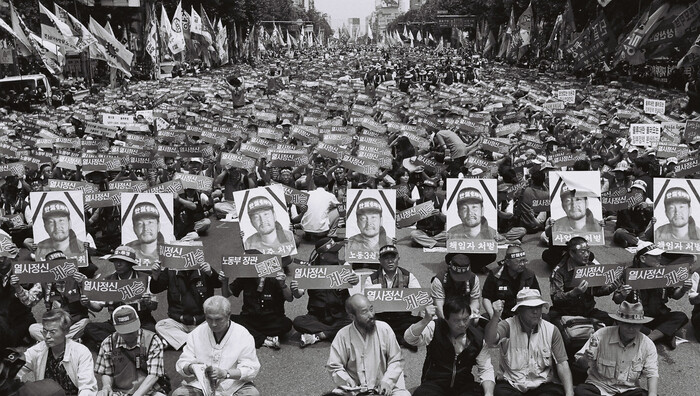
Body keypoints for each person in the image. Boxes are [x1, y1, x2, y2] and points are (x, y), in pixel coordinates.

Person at [485, 290, 574, 396]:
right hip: (511, 384)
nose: (535, 311)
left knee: (557, 392)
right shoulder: (507, 326)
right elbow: (490, 341)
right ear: (520, 310)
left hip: (542, 384)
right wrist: (495, 317)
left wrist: (570, 393)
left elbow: (562, 364)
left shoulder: (552, 330)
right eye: (530, 308)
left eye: (538, 307)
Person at [404, 297, 496, 396]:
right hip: (435, 383)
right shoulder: (435, 327)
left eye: (465, 319)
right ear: (446, 319)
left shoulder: (477, 338)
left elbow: (486, 369)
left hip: (464, 385)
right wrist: (425, 320)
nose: (462, 324)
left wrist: (489, 393)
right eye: (456, 320)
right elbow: (409, 339)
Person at [174, 296, 260, 396]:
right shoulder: (197, 333)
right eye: (209, 319)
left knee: (252, 394)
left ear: (228, 316)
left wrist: (225, 373)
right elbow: (183, 362)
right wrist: (191, 367)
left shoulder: (243, 335)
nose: (213, 324)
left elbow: (251, 369)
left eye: (218, 319)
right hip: (202, 386)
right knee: (179, 394)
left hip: (233, 385)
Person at [326, 294, 410, 396]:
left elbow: (396, 360)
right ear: (352, 316)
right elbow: (334, 366)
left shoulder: (384, 329)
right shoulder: (343, 335)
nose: (371, 315)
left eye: (371, 309)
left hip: (382, 388)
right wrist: (348, 381)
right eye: (364, 312)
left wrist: (387, 381)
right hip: (355, 390)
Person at [612, 243, 691, 349]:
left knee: (680, 316)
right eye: (655, 256)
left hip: (658, 316)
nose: (660, 258)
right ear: (643, 258)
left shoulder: (665, 272)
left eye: (660, 255)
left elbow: (675, 296)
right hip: (636, 318)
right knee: (621, 322)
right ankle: (664, 335)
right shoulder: (628, 274)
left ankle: (650, 339)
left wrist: (683, 289)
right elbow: (616, 299)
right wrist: (622, 294)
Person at [81, 246, 158, 351]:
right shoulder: (107, 281)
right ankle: (129, 343)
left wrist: (148, 302)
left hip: (140, 321)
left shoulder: (144, 279)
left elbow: (154, 306)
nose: (118, 264)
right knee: (89, 328)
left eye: (122, 261)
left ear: (131, 263)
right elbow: (97, 307)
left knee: (152, 329)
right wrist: (88, 303)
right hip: (116, 323)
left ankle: (114, 343)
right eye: (115, 261)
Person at [573, 301, 659, 396]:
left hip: (628, 390)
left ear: (641, 325)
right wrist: (585, 359)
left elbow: (652, 373)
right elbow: (580, 365)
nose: (631, 328)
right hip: (599, 387)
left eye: (636, 324)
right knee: (581, 391)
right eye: (627, 324)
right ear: (619, 322)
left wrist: (653, 394)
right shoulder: (600, 335)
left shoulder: (647, 344)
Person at [292, 238, 360, 347]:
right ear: (323, 255)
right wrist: (295, 289)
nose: (337, 253)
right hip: (317, 316)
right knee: (298, 322)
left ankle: (318, 336)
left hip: (339, 315)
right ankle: (335, 333)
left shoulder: (344, 265)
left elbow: (356, 288)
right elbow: (298, 294)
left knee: (354, 320)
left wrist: (356, 280)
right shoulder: (311, 269)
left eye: (337, 250)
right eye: (333, 252)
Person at [220, 253, 294, 350]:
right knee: (227, 319)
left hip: (271, 321)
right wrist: (224, 281)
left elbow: (290, 298)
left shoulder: (274, 277)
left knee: (287, 324)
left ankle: (253, 336)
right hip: (250, 319)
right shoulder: (245, 277)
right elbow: (226, 294)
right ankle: (264, 339)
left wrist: (283, 285)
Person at [13, 250, 90, 343]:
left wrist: (83, 283)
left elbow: (92, 300)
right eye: (54, 265)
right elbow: (29, 301)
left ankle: (54, 342)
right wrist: (17, 287)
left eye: (62, 263)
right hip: (54, 325)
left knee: (86, 323)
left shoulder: (78, 278)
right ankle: (67, 341)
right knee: (33, 329)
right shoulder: (44, 282)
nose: (59, 267)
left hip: (74, 323)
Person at [18, 309, 98, 396]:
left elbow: (87, 387)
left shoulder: (81, 352)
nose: (47, 336)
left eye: (52, 332)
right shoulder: (38, 349)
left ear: (66, 331)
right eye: (45, 331)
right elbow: (16, 367)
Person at [149, 257, 222, 350]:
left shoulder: (203, 268)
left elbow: (219, 284)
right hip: (179, 323)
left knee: (218, 324)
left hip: (201, 323)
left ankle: (180, 341)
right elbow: (155, 289)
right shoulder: (170, 270)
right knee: (160, 325)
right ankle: (197, 342)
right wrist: (155, 275)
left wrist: (210, 273)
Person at [95, 305, 166, 396]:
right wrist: (107, 386)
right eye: (125, 331)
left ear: (138, 322)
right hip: (119, 392)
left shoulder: (153, 340)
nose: (130, 334)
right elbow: (106, 372)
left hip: (148, 391)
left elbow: (154, 375)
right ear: (116, 328)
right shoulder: (108, 343)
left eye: (132, 329)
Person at [364, 245, 422, 349]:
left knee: (421, 321)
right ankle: (399, 339)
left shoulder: (408, 276)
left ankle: (389, 339)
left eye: (393, 258)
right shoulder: (371, 279)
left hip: (402, 318)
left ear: (398, 259)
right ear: (380, 260)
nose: (390, 261)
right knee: (365, 323)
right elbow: (366, 302)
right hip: (381, 318)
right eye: (386, 258)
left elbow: (419, 298)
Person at [549, 237, 616, 327]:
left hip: (587, 312)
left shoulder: (591, 267)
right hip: (565, 312)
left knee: (613, 321)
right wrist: (573, 293)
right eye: (582, 251)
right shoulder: (559, 271)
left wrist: (612, 287)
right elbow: (556, 298)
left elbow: (597, 291)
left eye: (588, 251)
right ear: (572, 253)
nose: (587, 255)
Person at [482, 246, 540, 320]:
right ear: (508, 262)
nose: (522, 264)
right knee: (484, 319)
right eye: (518, 261)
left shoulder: (529, 274)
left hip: (523, 315)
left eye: (524, 261)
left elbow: (537, 297)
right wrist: (492, 315)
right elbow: (486, 297)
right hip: (502, 314)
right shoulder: (495, 275)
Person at [0, 251, 35, 350]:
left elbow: (30, 300)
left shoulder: (25, 271)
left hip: (21, 318)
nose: (0, 260)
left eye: (3, 257)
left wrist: (17, 287)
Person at [430, 253, 481, 320]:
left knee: (476, 320)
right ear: (449, 268)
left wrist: (468, 316)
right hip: (446, 312)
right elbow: (439, 306)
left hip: (464, 311)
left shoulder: (474, 279)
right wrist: (450, 322)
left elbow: (475, 300)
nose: (460, 280)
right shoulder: (439, 280)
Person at [126, 202, 167, 267]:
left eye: (150, 222)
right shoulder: (127, 252)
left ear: (158, 226)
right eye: (140, 224)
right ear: (134, 228)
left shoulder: (169, 252)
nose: (146, 228)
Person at [409, 179, 447, 248]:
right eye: (424, 189)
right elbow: (412, 222)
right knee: (413, 234)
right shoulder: (418, 203)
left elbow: (446, 220)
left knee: (451, 234)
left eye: (428, 189)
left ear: (435, 190)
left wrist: (439, 214)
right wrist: (407, 221)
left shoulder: (442, 201)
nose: (425, 191)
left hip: (439, 232)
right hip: (423, 232)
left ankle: (424, 242)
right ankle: (438, 244)